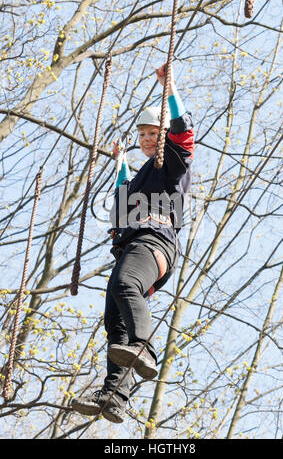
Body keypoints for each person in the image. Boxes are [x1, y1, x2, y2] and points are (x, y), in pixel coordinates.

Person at [71, 62, 194, 423]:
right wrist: (120, 163)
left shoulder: (172, 163)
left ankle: (145, 349)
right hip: (132, 247)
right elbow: (124, 195)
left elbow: (184, 131)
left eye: (153, 134)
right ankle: (114, 395)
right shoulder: (142, 173)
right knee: (115, 324)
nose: (147, 140)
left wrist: (169, 86)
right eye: (141, 135)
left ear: (164, 135)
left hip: (154, 241)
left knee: (125, 287)